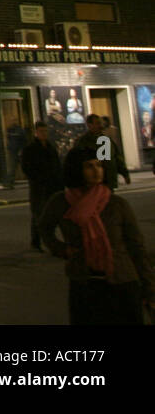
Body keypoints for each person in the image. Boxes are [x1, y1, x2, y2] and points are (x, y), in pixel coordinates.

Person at [39, 146, 154, 325]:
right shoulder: (61, 202)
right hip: (84, 285)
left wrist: (148, 287)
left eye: (99, 165)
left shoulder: (116, 204)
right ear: (77, 169)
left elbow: (136, 247)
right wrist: (62, 250)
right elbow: (44, 229)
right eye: (89, 166)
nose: (96, 171)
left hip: (122, 282)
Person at [21, 122, 64, 251]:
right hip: (39, 187)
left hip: (53, 186)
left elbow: (57, 165)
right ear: (36, 132)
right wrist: (36, 179)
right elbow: (27, 168)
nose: (44, 134)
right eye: (41, 131)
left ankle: (49, 240)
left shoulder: (51, 147)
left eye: (45, 131)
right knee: (38, 214)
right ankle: (36, 241)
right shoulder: (30, 149)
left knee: (53, 214)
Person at [72, 115, 118, 190]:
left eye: (100, 123)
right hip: (93, 181)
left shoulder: (106, 140)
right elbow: (77, 163)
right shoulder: (82, 142)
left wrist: (124, 173)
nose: (100, 126)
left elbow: (115, 157)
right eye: (97, 123)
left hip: (108, 179)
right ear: (90, 125)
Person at [101, 117, 131, 185]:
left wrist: (125, 174)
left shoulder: (111, 131)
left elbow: (117, 159)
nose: (102, 124)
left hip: (107, 176)